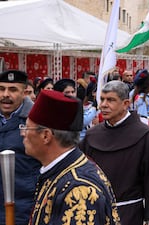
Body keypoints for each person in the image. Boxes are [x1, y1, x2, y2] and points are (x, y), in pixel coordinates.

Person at [22, 90, 120, 224]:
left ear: (46, 136)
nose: (23, 133)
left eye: (27, 128)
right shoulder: (60, 169)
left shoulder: (79, 189)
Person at [79, 80, 149, 225]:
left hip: (129, 213)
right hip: (96, 212)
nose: (103, 105)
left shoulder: (144, 135)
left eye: (111, 100)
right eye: (102, 99)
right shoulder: (92, 135)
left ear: (125, 104)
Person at [0, 70, 41, 225]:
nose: (5, 94)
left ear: (24, 93)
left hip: (23, 209)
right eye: (1, 89)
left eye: (12, 90)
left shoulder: (36, 122)